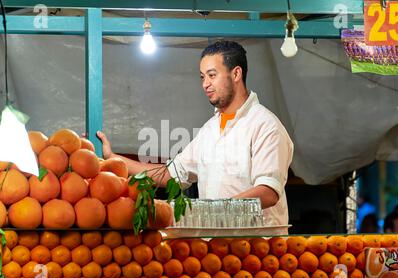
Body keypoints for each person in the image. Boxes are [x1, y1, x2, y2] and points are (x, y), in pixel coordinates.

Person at [97, 40, 294, 227]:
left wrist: (210, 210)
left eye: (212, 75)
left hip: (259, 250)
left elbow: (268, 192)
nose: (205, 84)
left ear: (236, 74)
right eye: (202, 77)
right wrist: (113, 158)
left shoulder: (265, 125)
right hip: (215, 249)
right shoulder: (210, 130)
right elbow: (171, 175)